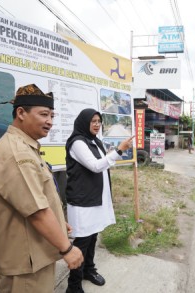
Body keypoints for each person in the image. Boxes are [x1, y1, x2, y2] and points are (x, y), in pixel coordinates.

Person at [0, 84, 84, 293]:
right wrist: (67, 248)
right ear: (21, 113)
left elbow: (35, 197)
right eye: (44, 114)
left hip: (34, 254)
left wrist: (57, 220)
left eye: (52, 116)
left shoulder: (25, 147)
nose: (50, 121)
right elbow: (37, 212)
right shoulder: (16, 153)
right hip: (26, 265)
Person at [65, 108, 134, 293]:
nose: (97, 124)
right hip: (83, 202)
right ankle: (73, 286)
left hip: (96, 198)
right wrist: (119, 150)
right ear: (83, 122)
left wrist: (113, 152)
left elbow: (103, 162)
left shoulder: (95, 141)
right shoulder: (77, 143)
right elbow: (96, 166)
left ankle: (89, 270)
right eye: (93, 121)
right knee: (81, 243)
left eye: (99, 121)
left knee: (93, 236)